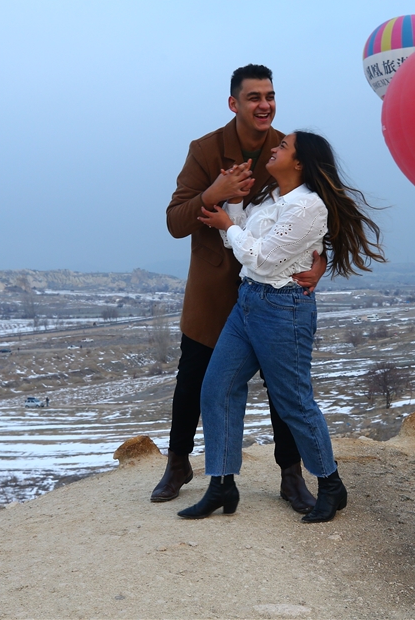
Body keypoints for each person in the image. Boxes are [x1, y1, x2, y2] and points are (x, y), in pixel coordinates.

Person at [179, 131, 385, 523]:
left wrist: (227, 223)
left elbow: (263, 258)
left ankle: (330, 484)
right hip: (248, 302)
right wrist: (233, 204)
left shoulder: (308, 207)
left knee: (294, 401)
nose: (275, 149)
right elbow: (240, 241)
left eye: (283, 147)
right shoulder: (272, 197)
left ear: (300, 163)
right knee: (217, 387)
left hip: (282, 309)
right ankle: (222, 484)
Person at [156, 65, 326, 512]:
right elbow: (175, 222)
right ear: (234, 103)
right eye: (254, 97)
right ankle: (179, 464)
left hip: (273, 288)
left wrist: (322, 260)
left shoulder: (288, 150)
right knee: (195, 379)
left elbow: (316, 211)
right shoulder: (205, 150)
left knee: (283, 383)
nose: (264, 105)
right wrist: (213, 192)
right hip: (215, 288)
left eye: (270, 95)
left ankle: (291, 475)